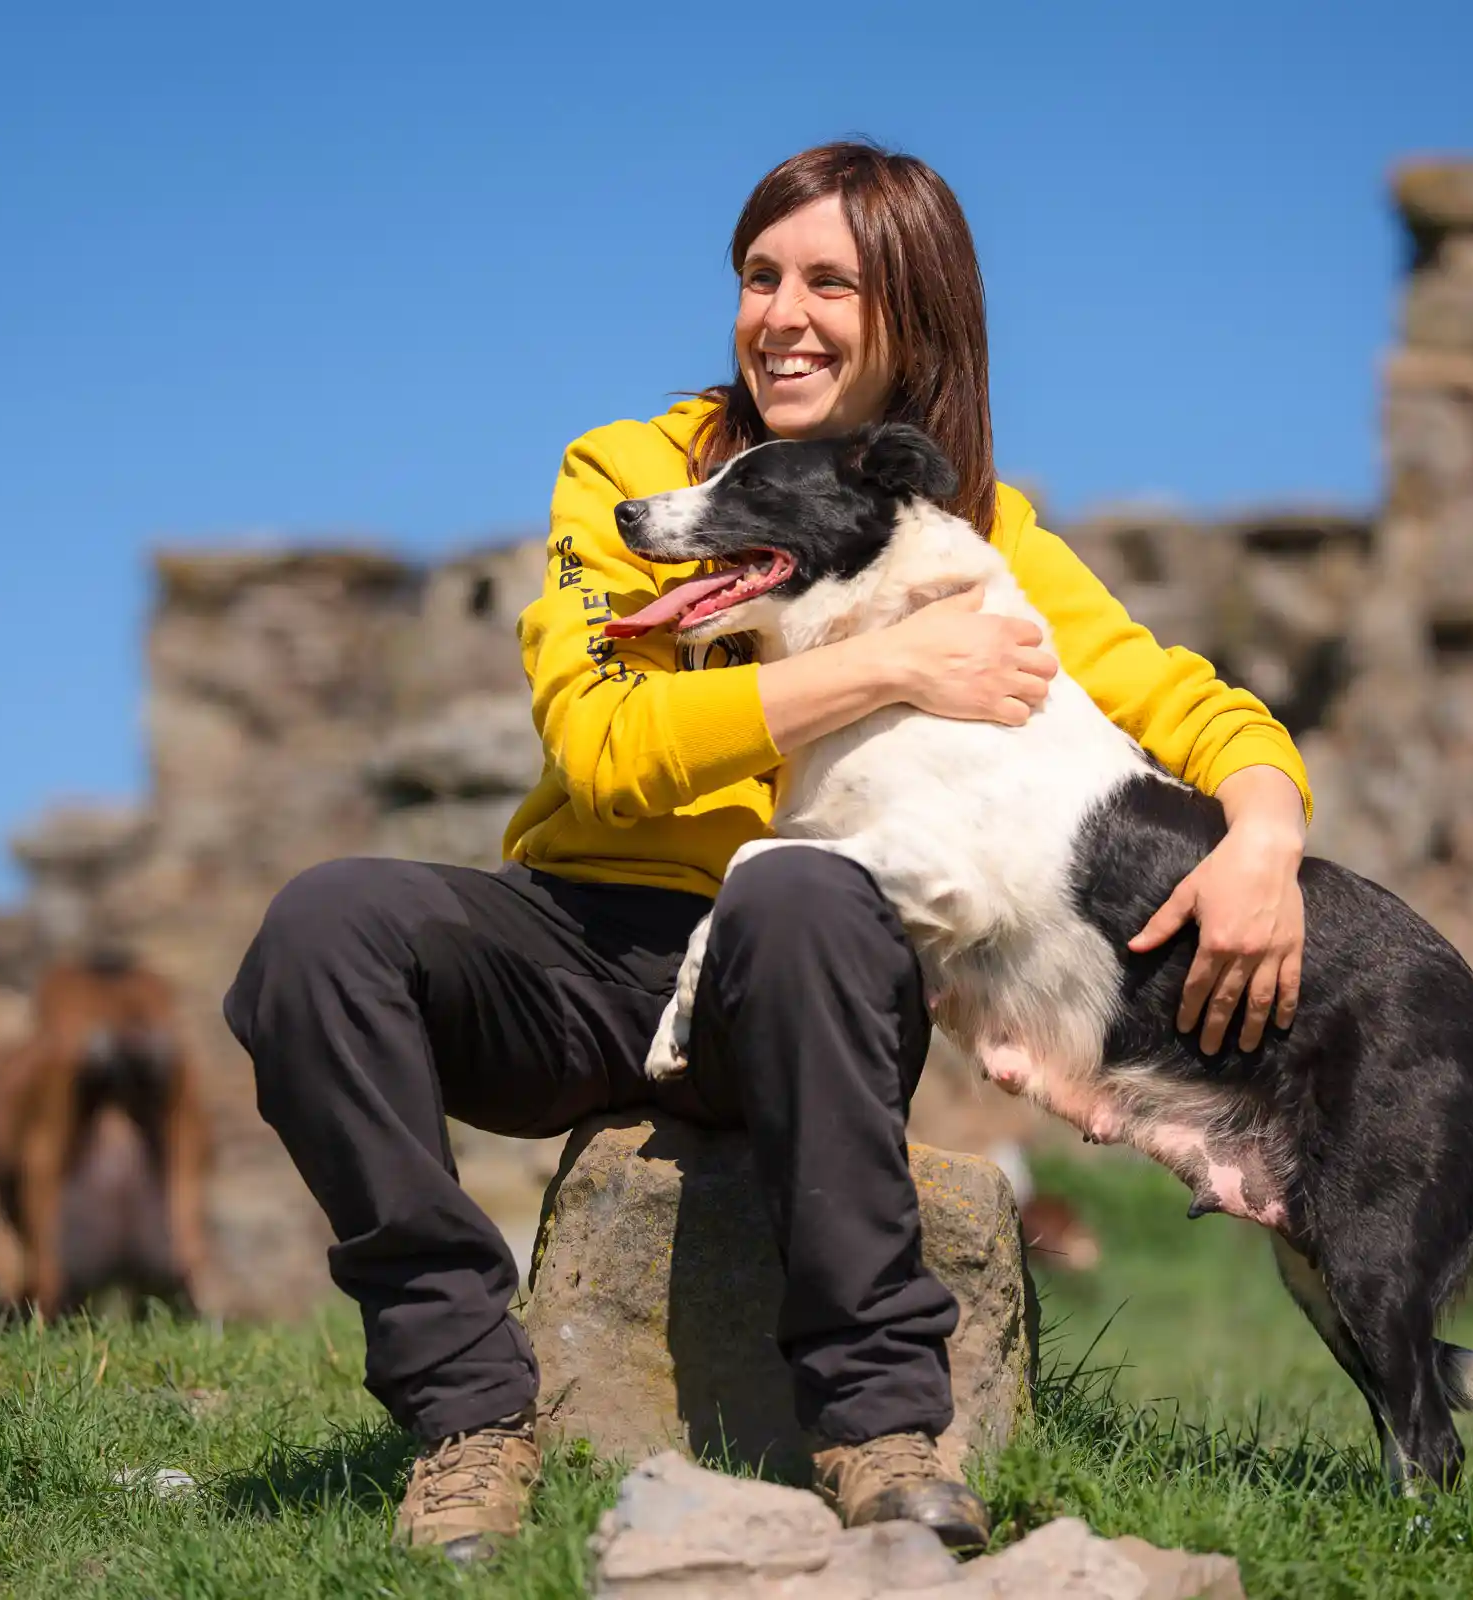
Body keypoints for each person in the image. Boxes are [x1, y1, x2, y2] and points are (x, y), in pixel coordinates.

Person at [224, 141, 1313, 1564]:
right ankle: (468, 1418)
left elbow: (1183, 701)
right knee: (321, 931)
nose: (781, 315)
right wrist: (892, 664)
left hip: (797, 978)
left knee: (807, 888)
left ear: (916, 314)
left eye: (829, 284)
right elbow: (604, 742)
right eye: (758, 276)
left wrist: (1267, 831)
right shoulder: (630, 474)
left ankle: (881, 1430)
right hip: (579, 950)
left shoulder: (978, 536)